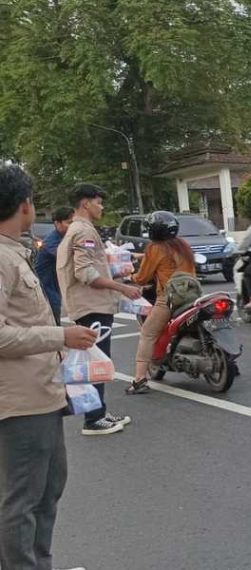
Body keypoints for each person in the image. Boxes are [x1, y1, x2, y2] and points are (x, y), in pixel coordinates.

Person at [0, 164, 97, 570]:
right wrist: (60, 337)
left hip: (43, 393)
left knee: (48, 489)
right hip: (21, 402)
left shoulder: (16, 252)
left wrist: (60, 335)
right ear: (25, 205)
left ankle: (39, 562)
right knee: (22, 499)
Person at [57, 183, 139, 436]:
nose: (101, 207)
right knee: (96, 362)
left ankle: (99, 412)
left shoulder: (77, 230)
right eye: (98, 202)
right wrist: (122, 288)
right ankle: (93, 419)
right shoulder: (84, 232)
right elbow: (85, 273)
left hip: (88, 305)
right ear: (85, 203)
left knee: (96, 360)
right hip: (92, 306)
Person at [126, 211, 196, 395]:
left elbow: (142, 278)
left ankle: (139, 380)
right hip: (192, 294)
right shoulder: (182, 245)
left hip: (170, 298)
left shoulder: (155, 248)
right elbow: (166, 260)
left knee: (147, 334)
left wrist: (129, 276)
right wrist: (141, 256)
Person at [33, 206, 75, 323]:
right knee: (53, 311)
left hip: (55, 283)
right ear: (57, 223)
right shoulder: (51, 240)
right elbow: (65, 256)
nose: (72, 226)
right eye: (69, 222)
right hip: (45, 285)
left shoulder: (65, 237)